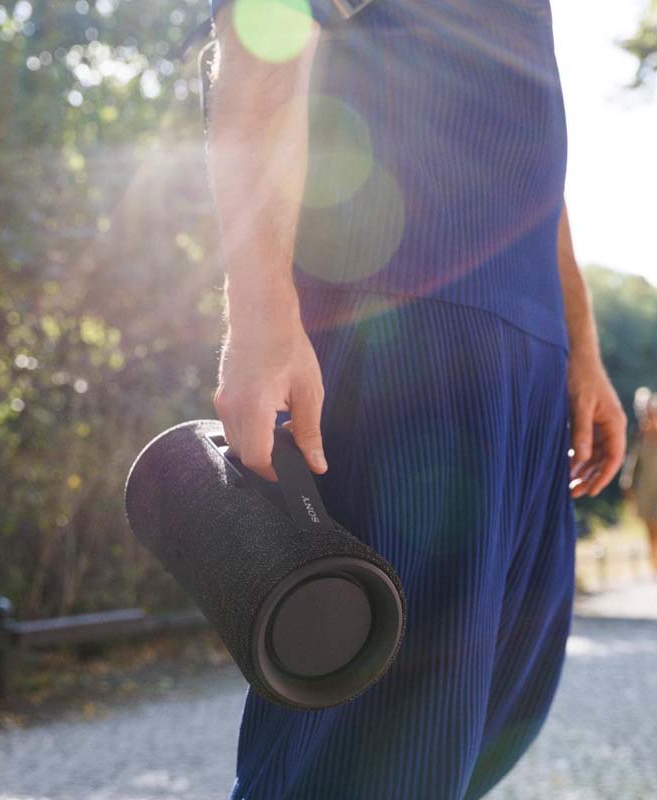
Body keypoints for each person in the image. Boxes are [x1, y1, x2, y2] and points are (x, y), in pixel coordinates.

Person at [205, 2, 626, 798]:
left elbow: (535, 159)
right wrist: (259, 314)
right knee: (363, 741)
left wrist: (582, 347)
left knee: (487, 726)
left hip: (530, 348)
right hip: (403, 321)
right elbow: (266, 26)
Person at [620, 389, 657, 587]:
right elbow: (632, 464)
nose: (649, 416)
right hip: (643, 491)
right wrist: (629, 491)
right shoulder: (639, 435)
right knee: (651, 533)